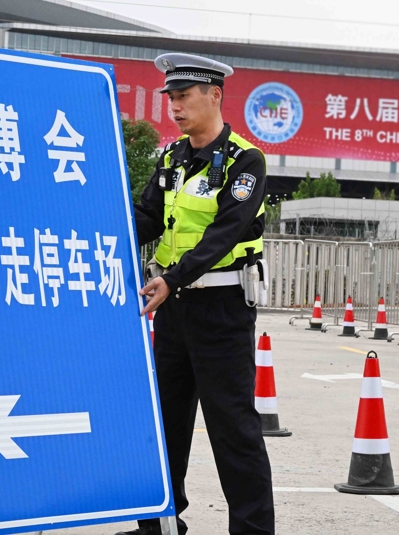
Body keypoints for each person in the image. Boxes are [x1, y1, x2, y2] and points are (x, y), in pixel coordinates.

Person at [118, 53, 273, 535]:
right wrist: (100, 228)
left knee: (233, 429)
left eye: (184, 97)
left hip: (221, 310)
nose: (175, 108)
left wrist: (172, 278)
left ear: (215, 95)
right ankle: (159, 527)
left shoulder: (245, 161)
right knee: (164, 424)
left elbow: (225, 232)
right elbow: (146, 218)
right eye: (171, 99)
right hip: (174, 309)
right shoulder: (172, 159)